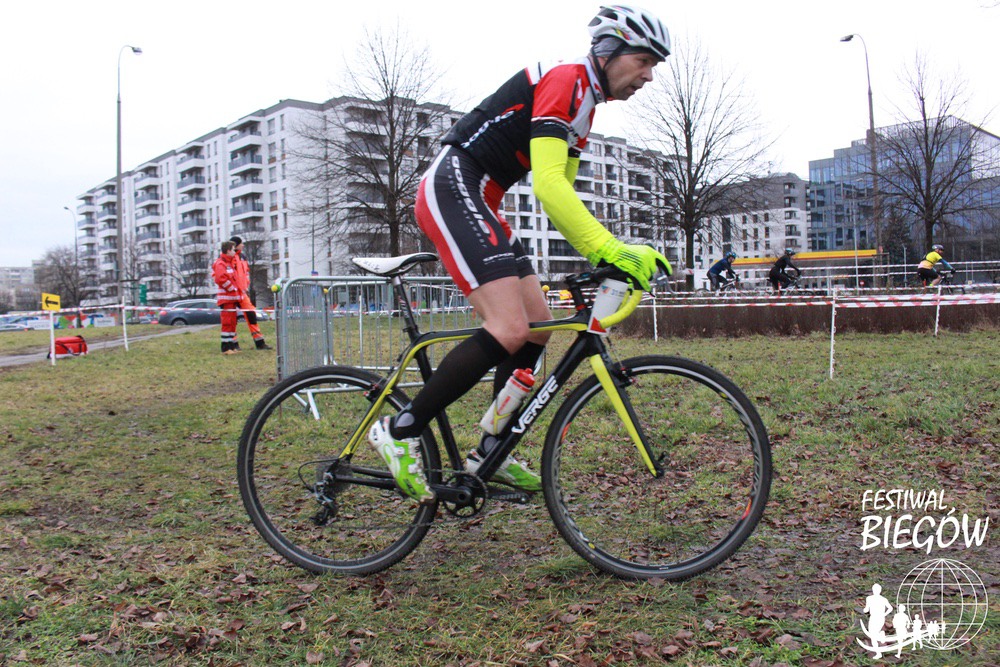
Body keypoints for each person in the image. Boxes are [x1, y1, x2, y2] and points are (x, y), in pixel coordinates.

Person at [367, 4, 673, 503]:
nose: (649, 75)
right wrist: (613, 248)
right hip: (453, 187)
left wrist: (603, 259)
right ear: (609, 50)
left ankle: (491, 449)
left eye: (654, 65)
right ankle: (399, 430)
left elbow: (560, 197)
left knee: (536, 326)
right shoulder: (567, 80)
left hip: (480, 200)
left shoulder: (584, 107)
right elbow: (549, 184)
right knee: (508, 328)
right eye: (643, 61)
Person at [229, 236, 272, 350]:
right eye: (241, 243)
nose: (243, 245)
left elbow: (246, 273)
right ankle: (233, 344)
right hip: (232, 293)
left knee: (251, 315)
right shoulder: (229, 257)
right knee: (232, 319)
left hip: (243, 292)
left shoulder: (243, 257)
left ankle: (260, 342)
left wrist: (246, 286)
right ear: (236, 245)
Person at [212, 241, 243, 354]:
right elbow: (220, 279)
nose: (235, 252)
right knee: (227, 323)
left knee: (232, 323)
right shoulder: (221, 263)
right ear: (228, 250)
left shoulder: (229, 263)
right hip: (226, 299)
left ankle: (231, 346)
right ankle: (225, 347)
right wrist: (232, 289)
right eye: (234, 250)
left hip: (232, 299)